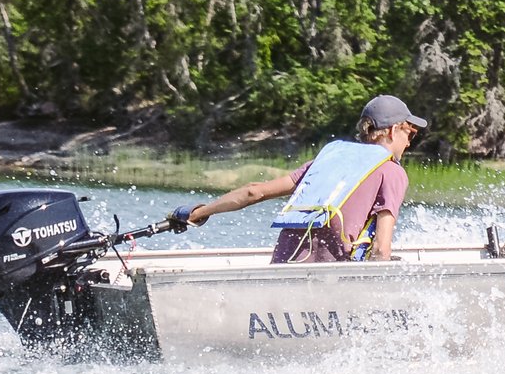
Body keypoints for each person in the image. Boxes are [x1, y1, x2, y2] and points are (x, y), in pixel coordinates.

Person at [175, 95, 426, 262]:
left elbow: (254, 192)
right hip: (330, 284)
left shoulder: (327, 159)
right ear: (393, 130)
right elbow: (382, 248)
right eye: (411, 134)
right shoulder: (391, 171)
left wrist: (198, 213)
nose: (408, 143)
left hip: (281, 274)